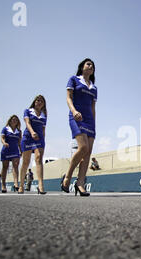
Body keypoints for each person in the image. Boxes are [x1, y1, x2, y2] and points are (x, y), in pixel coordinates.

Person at [61, 58, 97, 197]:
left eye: (93, 65)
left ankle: (80, 183)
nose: (91, 66)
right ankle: (68, 177)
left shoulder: (94, 87)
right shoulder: (74, 80)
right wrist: (74, 111)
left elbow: (93, 107)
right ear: (82, 67)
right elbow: (69, 98)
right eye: (88, 64)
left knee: (88, 154)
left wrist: (94, 123)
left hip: (90, 121)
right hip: (76, 116)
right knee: (83, 148)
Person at [19, 95, 47, 194]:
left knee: (39, 158)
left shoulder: (44, 115)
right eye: (38, 100)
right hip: (28, 137)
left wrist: (43, 139)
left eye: (41, 101)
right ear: (34, 102)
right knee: (26, 162)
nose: (39, 102)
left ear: (44, 104)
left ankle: (40, 185)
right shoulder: (27, 111)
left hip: (39, 139)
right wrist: (32, 132)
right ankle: (21, 185)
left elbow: (43, 129)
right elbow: (27, 123)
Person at [0, 115, 22, 193]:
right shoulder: (5, 129)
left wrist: (21, 150)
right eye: (13, 119)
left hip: (15, 150)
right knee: (5, 167)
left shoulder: (19, 131)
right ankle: (3, 185)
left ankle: (16, 184)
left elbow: (19, 142)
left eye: (16, 120)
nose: (14, 121)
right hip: (6, 149)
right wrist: (4, 143)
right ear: (10, 121)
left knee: (15, 166)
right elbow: (2, 138)